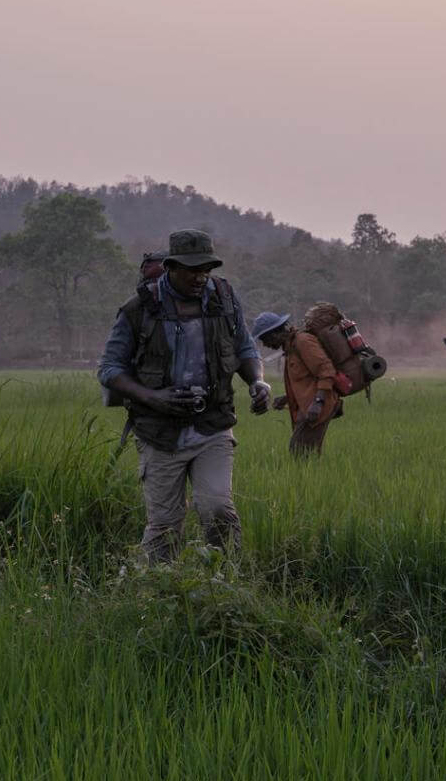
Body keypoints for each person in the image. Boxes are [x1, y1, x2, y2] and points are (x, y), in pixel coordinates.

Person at [98, 230, 272, 562]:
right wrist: (152, 397)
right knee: (164, 524)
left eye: (206, 269)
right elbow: (109, 368)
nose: (200, 277)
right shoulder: (139, 309)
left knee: (218, 508)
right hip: (159, 433)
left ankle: (226, 583)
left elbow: (244, 348)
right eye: (192, 269)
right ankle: (160, 593)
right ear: (170, 267)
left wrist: (257, 382)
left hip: (213, 425)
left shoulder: (223, 298)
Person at [253, 310, 341, 457]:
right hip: (308, 408)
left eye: (264, 339)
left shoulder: (303, 342)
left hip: (317, 407)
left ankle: (310, 479)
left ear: (274, 333)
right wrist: (287, 398)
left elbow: (326, 371)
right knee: (304, 454)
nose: (265, 344)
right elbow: (306, 381)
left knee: (300, 453)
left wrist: (318, 403)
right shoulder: (291, 349)